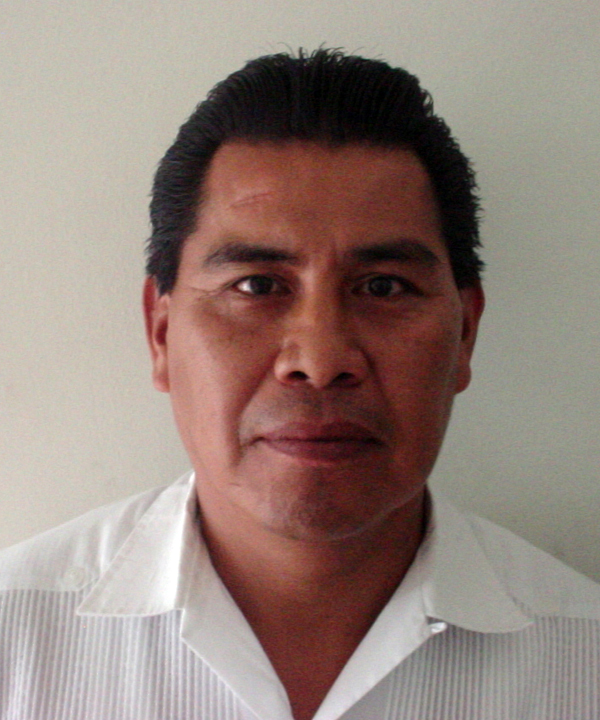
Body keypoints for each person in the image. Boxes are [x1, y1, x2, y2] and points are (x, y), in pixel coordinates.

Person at [1, 48, 599, 720]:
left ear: (465, 334)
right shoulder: (14, 643)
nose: (319, 360)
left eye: (384, 287)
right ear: (161, 333)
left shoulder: (584, 661)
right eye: (256, 286)